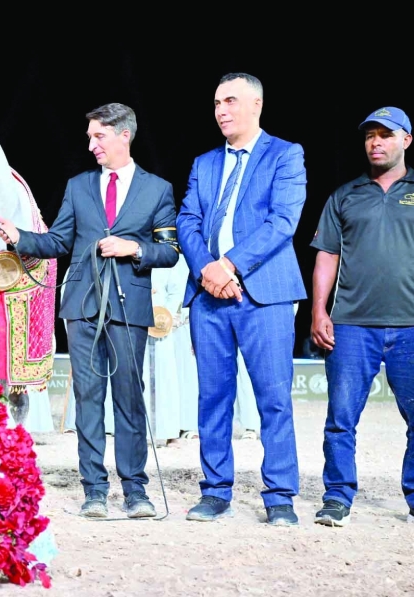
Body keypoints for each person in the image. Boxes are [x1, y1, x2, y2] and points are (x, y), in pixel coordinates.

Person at [0, 102, 179, 519]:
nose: (92, 144)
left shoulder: (157, 189)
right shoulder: (78, 186)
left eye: (99, 136)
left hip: (129, 308)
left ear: (123, 135)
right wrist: (18, 237)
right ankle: (94, 490)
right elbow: (59, 242)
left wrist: (134, 248)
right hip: (81, 306)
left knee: (130, 400)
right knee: (88, 398)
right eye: (90, 137)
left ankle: (136, 491)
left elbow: (169, 251)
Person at [175, 72, 306, 526]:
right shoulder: (204, 162)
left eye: (230, 101)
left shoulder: (286, 155)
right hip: (209, 295)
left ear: (256, 106)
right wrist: (206, 269)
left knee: (273, 398)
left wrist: (227, 265)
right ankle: (215, 491)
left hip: (264, 295)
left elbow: (282, 222)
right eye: (215, 104)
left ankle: (280, 497)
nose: (221, 111)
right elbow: (187, 221)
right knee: (213, 397)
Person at [310, 106, 414, 527]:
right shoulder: (345, 195)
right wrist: (319, 311)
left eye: (386, 135)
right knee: (341, 418)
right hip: (352, 325)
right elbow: (326, 256)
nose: (376, 142)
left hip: (411, 326)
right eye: (370, 135)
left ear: (406, 139)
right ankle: (337, 497)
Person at [142, 253, 190, 445]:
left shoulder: (167, 257)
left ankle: (169, 430)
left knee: (166, 376)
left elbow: (176, 290)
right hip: (136, 321)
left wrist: (167, 315)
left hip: (162, 325)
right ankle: (141, 431)